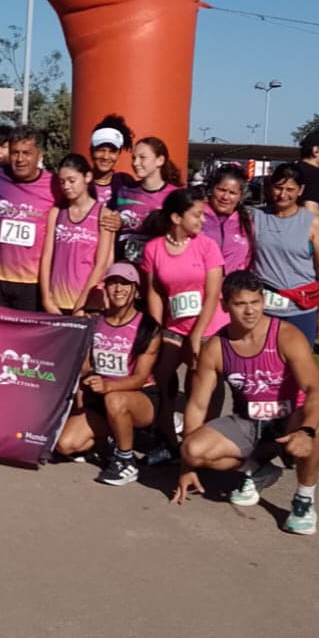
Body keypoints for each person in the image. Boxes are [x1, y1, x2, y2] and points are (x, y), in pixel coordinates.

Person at [174, 270, 319, 535]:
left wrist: (307, 431)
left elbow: (315, 390)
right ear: (224, 305)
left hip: (290, 420)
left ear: (263, 302)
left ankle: (304, 499)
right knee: (192, 449)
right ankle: (256, 469)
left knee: (316, 424)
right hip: (248, 422)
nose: (250, 311)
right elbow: (198, 405)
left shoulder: (286, 336)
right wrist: (187, 467)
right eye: (240, 304)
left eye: (255, 302)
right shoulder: (216, 347)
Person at [141, 188, 227, 463]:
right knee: (162, 379)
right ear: (177, 218)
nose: (202, 221)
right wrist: (156, 326)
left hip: (208, 326)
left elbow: (214, 294)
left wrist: (197, 335)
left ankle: (197, 444)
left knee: (198, 386)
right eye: (197, 215)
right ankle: (166, 440)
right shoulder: (154, 248)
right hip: (174, 326)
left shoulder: (207, 246)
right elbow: (154, 290)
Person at [54, 263, 159, 484]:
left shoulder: (148, 327)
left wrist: (108, 386)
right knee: (66, 445)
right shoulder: (95, 323)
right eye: (113, 283)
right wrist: (90, 375)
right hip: (102, 399)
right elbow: (84, 364)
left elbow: (140, 378)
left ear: (136, 290)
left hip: (140, 399)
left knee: (115, 400)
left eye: (125, 284)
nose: (118, 289)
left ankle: (126, 461)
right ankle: (109, 440)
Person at [0, 126, 58, 311]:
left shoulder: (54, 185)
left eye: (26, 153)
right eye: (15, 153)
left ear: (39, 155)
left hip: (31, 282)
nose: (20, 159)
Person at [250, 163, 319, 347]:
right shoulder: (256, 217)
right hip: (264, 309)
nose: (283, 194)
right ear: (271, 187)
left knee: (298, 368)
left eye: (290, 189)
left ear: (300, 190)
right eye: (278, 187)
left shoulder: (313, 223)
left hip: (301, 310)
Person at [39, 154, 114, 314]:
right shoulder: (57, 213)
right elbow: (47, 257)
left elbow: (101, 264)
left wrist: (82, 303)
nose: (66, 186)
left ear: (87, 177)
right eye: (62, 182)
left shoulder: (103, 214)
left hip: (86, 303)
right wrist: (46, 298)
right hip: (56, 303)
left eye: (72, 181)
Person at [111, 136, 180, 264]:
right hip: (123, 270)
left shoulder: (175, 195)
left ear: (160, 160)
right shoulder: (124, 192)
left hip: (157, 267)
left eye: (142, 158)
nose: (135, 163)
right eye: (134, 158)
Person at [201, 165, 255, 274]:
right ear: (211, 189)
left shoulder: (246, 223)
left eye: (232, 193)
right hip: (200, 286)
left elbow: (248, 259)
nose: (225, 197)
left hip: (233, 287)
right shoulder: (197, 216)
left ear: (241, 196)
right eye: (221, 190)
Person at [88, 115, 134, 197]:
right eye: (101, 150)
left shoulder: (126, 183)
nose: (106, 157)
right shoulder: (79, 184)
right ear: (91, 151)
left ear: (119, 153)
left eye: (112, 151)